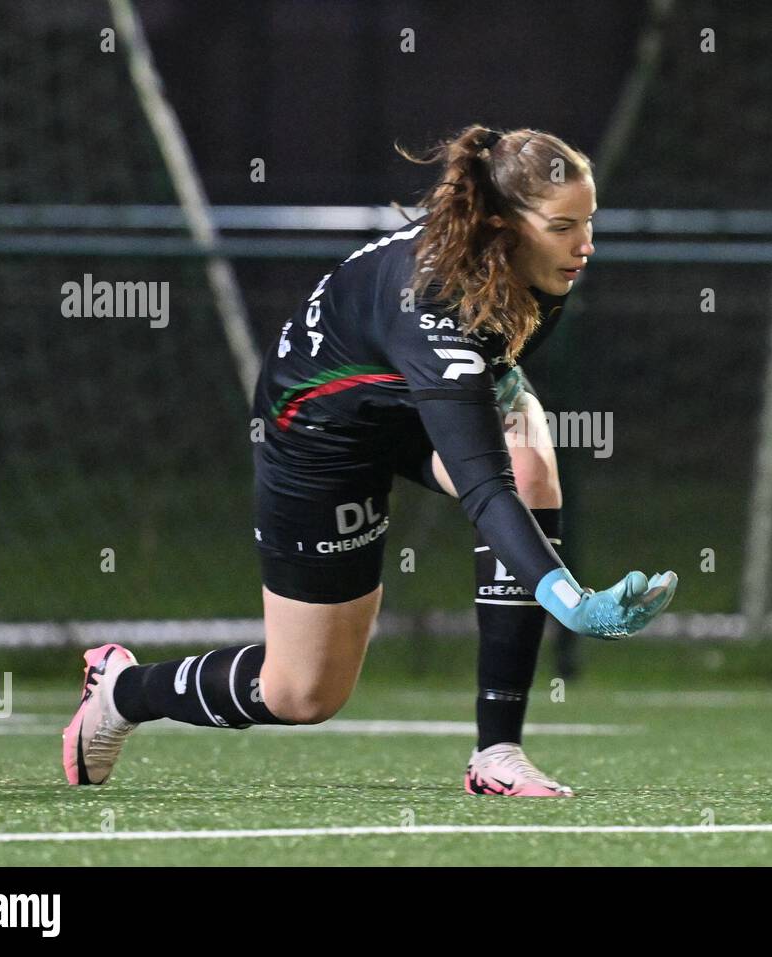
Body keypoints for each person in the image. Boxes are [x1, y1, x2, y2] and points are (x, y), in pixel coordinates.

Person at [62, 125, 677, 797]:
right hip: (320, 435)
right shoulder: (435, 305)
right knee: (303, 692)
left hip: (410, 399)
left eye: (589, 222)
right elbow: (482, 486)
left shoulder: (540, 266)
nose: (585, 245)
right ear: (502, 227)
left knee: (530, 453)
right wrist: (572, 602)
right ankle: (122, 690)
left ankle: (497, 752)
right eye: (564, 226)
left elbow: (490, 383)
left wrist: (499, 393)